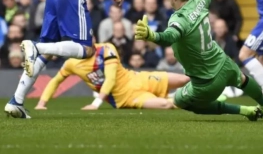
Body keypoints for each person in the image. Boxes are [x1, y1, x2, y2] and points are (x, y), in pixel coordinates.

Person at [135, 0, 263, 121]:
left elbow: (169, 37)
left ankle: (243, 110)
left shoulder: (178, 19)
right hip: (224, 64)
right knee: (243, 79)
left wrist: (151, 35)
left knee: (180, 100)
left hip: (205, 82)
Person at [34, 43, 190, 111]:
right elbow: (55, 81)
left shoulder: (106, 49)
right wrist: (41, 103)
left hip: (138, 78)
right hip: (126, 98)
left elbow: (110, 79)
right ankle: (195, 99)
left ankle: (211, 87)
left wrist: (96, 104)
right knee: (166, 105)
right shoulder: (71, 63)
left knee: (184, 79)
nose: (91, 43)